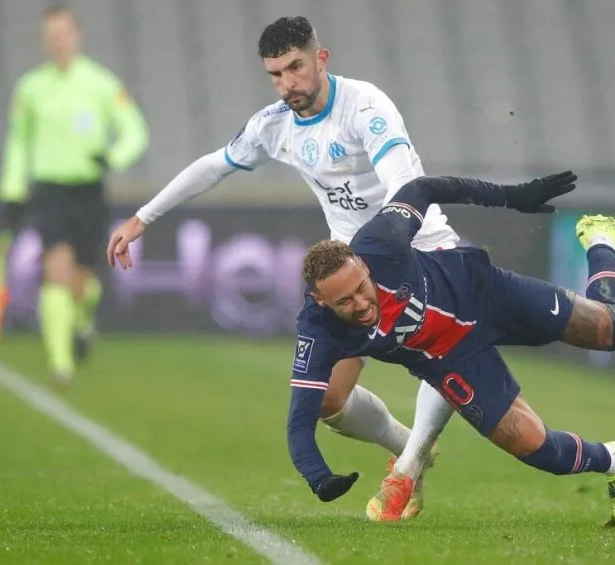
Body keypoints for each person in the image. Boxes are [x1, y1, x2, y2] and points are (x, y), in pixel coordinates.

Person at [108, 16, 455, 518]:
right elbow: (214, 164)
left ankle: (411, 465)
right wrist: (143, 217)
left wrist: (392, 247)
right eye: (275, 74)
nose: (287, 83)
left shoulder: (365, 105)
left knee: (445, 362)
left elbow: (404, 184)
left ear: (321, 58)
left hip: (420, 249)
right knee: (328, 401)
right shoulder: (275, 125)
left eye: (295, 67)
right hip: (351, 270)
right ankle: (408, 446)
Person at [290, 170, 615, 528]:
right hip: (453, 360)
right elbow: (300, 422)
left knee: (612, 330)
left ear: (363, 268)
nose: (361, 303)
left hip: (488, 294)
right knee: (539, 450)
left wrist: (512, 196)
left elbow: (422, 188)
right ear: (321, 302)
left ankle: (603, 238)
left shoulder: (381, 243)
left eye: (361, 287)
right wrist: (320, 478)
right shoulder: (318, 332)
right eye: (345, 301)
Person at [0, 5, 150, 386]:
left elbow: (135, 131)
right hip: (48, 191)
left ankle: (82, 321)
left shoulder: (101, 84)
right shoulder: (30, 88)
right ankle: (60, 365)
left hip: (89, 190)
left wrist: (113, 156)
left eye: (63, 33)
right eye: (51, 35)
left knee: (84, 279)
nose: (58, 41)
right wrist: (12, 190)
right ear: (44, 41)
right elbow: (18, 142)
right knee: (55, 268)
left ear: (76, 36)